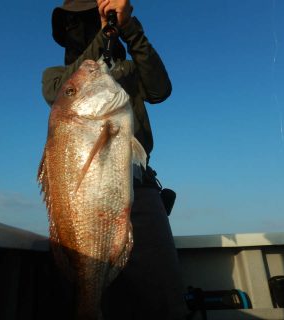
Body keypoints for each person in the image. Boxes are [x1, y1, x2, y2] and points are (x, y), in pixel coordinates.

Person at [42, 0, 188, 319]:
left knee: (163, 301)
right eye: (75, 23)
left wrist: (129, 29)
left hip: (141, 189)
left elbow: (161, 90)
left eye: (92, 19)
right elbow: (60, 93)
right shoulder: (59, 78)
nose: (84, 26)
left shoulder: (125, 68)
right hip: (80, 206)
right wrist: (106, 33)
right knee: (87, 290)